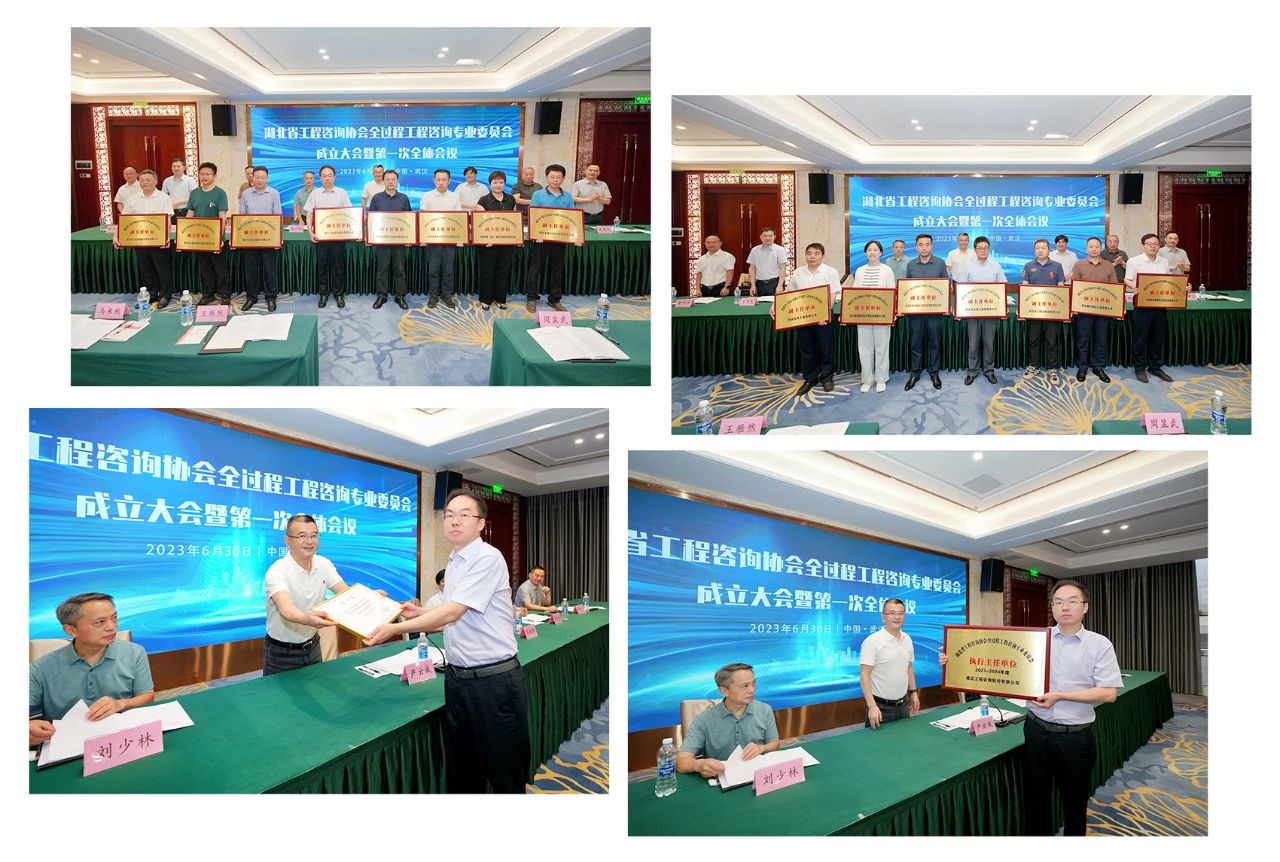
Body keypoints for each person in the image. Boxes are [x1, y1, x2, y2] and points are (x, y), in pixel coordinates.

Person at [364, 489, 531, 794]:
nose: (454, 521)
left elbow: (453, 612)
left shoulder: (487, 557)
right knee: (463, 768)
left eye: (464, 515)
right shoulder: (454, 561)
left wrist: (392, 629)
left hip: (492, 682)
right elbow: (453, 615)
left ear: (480, 523)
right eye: (449, 515)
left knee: (505, 771)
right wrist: (421, 612)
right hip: (458, 680)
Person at [1021, 580, 1121, 836]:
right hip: (1036, 732)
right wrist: (954, 660)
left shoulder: (1100, 644)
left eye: (1072, 601)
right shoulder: (1034, 639)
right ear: (1052, 607)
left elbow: (1108, 693)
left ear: (1085, 607)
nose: (1064, 607)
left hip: (1075, 737)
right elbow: (1000, 665)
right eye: (1058, 602)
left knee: (1074, 804)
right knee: (1035, 801)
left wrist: (1060, 696)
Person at [29, 593, 155, 747]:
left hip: (122, 739)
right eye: (100, 622)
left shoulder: (134, 652)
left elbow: (147, 695)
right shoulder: (42, 668)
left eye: (114, 618)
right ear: (71, 630)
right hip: (67, 745)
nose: (112, 627)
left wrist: (120, 704)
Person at [263, 514, 348, 675]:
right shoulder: (277, 571)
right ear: (288, 541)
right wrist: (305, 619)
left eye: (314, 535)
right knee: (279, 692)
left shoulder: (324, 564)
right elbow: (286, 609)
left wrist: (369, 597)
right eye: (302, 536)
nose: (309, 541)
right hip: (282, 653)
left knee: (316, 688)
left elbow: (345, 592)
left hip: (313, 646)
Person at [676, 663, 779, 778]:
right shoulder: (703, 720)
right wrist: (699, 765)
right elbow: (681, 762)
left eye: (753, 683)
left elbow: (774, 743)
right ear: (724, 691)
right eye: (745, 686)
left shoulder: (765, 709)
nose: (752, 690)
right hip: (721, 778)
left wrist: (761, 748)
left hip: (757, 774)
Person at [770, 242, 840, 394]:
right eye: (809, 253)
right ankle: (810, 378)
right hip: (803, 317)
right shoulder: (798, 272)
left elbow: (832, 295)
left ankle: (827, 378)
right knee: (806, 349)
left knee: (826, 348)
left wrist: (825, 314)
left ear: (823, 256)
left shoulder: (830, 271)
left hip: (823, 319)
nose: (812, 256)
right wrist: (775, 304)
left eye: (816, 253)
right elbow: (789, 293)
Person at [1125, 232, 1189, 382]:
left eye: (1156, 244)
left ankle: (1154, 367)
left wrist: (1183, 287)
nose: (1153, 246)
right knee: (1140, 338)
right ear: (1143, 245)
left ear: (1159, 245)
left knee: (1157, 338)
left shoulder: (1163, 261)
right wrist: (1134, 287)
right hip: (1142, 305)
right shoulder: (1134, 261)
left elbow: (1168, 281)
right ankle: (1139, 368)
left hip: (1160, 304)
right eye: (1149, 244)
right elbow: (1127, 279)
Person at [525, 164, 582, 313]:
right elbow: (532, 216)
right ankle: (531, 298)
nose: (555, 180)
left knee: (557, 269)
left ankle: (554, 299)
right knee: (535, 269)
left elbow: (573, 218)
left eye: (558, 177)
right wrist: (535, 234)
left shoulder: (567, 196)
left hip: (559, 239)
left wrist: (577, 236)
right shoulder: (538, 194)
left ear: (563, 178)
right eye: (552, 177)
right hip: (540, 240)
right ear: (547, 177)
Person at [859, 598, 918, 729]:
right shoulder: (872, 642)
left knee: (905, 739)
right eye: (892, 613)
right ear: (883, 617)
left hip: (903, 706)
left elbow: (908, 667)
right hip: (880, 708)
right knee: (878, 742)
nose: (897, 617)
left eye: (900, 613)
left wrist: (913, 692)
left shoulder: (907, 639)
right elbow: (864, 675)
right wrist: (872, 706)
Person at [123, 169, 175, 308]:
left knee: (162, 268)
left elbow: (168, 219)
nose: (145, 182)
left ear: (156, 181)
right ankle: (152, 294)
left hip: (158, 240)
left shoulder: (164, 198)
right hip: (140, 239)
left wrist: (165, 237)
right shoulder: (132, 198)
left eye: (148, 180)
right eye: (142, 180)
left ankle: (165, 295)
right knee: (146, 268)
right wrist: (118, 235)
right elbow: (125, 219)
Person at [959, 236, 1007, 385]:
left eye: (985, 248)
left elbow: (1003, 286)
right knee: (973, 343)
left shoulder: (996, 266)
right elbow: (961, 287)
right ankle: (972, 371)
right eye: (980, 248)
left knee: (989, 343)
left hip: (990, 311)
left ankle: (989, 370)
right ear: (975, 250)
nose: (983, 250)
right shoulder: (968, 266)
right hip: (972, 312)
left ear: (989, 249)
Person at [1069, 237, 1119, 382]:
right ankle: (1082, 366)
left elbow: (1114, 287)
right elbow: (1074, 286)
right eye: (1091, 246)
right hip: (1084, 310)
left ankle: (1098, 366)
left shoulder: (1108, 266)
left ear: (1101, 248)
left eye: (1097, 246)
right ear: (1086, 249)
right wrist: (1074, 306)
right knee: (1083, 339)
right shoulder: (1079, 264)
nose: (1094, 249)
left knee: (1101, 339)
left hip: (1103, 310)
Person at [904, 233, 948, 390]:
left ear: (932, 246)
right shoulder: (911, 265)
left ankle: (934, 373)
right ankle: (914, 373)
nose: (924, 248)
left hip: (934, 313)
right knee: (915, 343)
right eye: (921, 245)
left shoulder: (940, 263)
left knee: (935, 343)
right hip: (916, 313)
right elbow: (906, 289)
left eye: (927, 244)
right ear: (916, 247)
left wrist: (945, 305)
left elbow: (946, 286)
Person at [304, 164, 353, 308]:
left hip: (338, 236)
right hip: (321, 237)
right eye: (324, 176)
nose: (327, 178)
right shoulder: (315, 194)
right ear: (320, 178)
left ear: (334, 177)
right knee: (322, 266)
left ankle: (339, 294)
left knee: (339, 266)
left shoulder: (342, 193)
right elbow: (309, 214)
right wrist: (310, 232)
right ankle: (323, 294)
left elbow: (349, 213)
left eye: (329, 175)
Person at [1020, 239, 1067, 384]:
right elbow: (1025, 287)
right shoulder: (1028, 266)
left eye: (1043, 248)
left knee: (1051, 340)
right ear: (1034, 250)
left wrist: (1063, 310)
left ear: (1049, 249)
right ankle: (1034, 365)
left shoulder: (1057, 266)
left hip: (1052, 311)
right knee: (1033, 339)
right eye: (1037, 248)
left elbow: (1061, 287)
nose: (1040, 250)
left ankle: (1052, 368)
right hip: (1034, 311)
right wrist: (1023, 309)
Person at [852, 239, 895, 392]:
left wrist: (891, 314)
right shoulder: (860, 270)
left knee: (882, 347)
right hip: (863, 314)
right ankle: (867, 379)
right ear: (865, 253)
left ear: (881, 252)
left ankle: (881, 379)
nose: (872, 252)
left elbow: (892, 293)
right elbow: (854, 294)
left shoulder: (887, 270)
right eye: (869, 250)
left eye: (875, 250)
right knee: (864, 348)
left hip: (882, 315)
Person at [186, 161, 231, 305]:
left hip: (215, 238)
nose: (204, 177)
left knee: (220, 268)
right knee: (205, 268)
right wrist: (184, 235)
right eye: (202, 174)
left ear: (214, 176)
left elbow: (222, 216)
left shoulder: (220, 193)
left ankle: (224, 294)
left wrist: (219, 238)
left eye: (208, 174)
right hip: (199, 238)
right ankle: (208, 294)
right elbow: (190, 214)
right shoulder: (194, 193)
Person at [239, 165, 283, 312]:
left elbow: (278, 216)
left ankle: (271, 297)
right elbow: (242, 215)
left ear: (267, 178)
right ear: (252, 178)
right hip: (250, 238)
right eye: (257, 177)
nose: (259, 180)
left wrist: (278, 237)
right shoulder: (246, 194)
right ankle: (251, 297)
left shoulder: (274, 193)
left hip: (268, 238)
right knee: (251, 268)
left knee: (269, 269)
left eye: (262, 177)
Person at [367, 168, 412, 310]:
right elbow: (371, 219)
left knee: (399, 269)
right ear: (383, 181)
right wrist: (370, 237)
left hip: (399, 241)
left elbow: (409, 219)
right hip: (382, 241)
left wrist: (409, 237)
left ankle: (400, 296)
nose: (390, 182)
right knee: (382, 269)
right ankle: (382, 295)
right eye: (387, 179)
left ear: (397, 181)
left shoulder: (404, 198)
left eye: (393, 179)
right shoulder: (376, 198)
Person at [420, 168, 464, 310]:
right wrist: (423, 237)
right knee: (433, 269)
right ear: (434, 180)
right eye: (438, 179)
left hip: (449, 238)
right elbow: (423, 217)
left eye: (444, 180)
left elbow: (459, 217)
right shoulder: (427, 196)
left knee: (448, 269)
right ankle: (433, 295)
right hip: (432, 239)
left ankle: (446, 294)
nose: (441, 182)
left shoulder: (455, 197)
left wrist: (460, 238)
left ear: (449, 181)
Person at [476, 170, 517, 309]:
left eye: (501, 182)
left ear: (504, 183)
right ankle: (485, 299)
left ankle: (500, 298)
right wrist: (485, 239)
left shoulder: (511, 199)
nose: (498, 185)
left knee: (503, 271)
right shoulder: (483, 200)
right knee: (487, 271)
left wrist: (515, 238)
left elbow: (514, 221)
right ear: (490, 184)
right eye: (495, 182)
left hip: (506, 242)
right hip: (488, 243)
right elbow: (479, 224)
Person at [746, 227, 789, 297]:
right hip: (759, 283)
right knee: (759, 303)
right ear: (760, 237)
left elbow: (783, 268)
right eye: (765, 236)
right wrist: (753, 285)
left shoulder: (779, 250)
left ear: (774, 237)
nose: (767, 238)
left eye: (770, 236)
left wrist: (780, 286)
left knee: (774, 303)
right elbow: (752, 268)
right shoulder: (755, 250)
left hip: (774, 283)